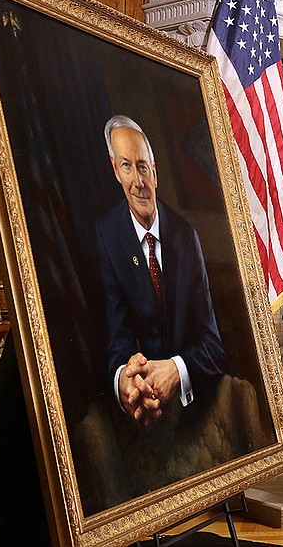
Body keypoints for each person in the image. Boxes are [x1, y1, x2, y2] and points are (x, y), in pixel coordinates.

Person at [95, 115, 226, 426]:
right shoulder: (105, 235)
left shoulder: (186, 236)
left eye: (142, 167)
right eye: (127, 166)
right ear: (115, 170)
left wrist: (176, 370)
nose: (138, 182)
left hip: (190, 404)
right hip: (137, 408)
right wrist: (125, 382)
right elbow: (115, 336)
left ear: (154, 174)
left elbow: (213, 346)